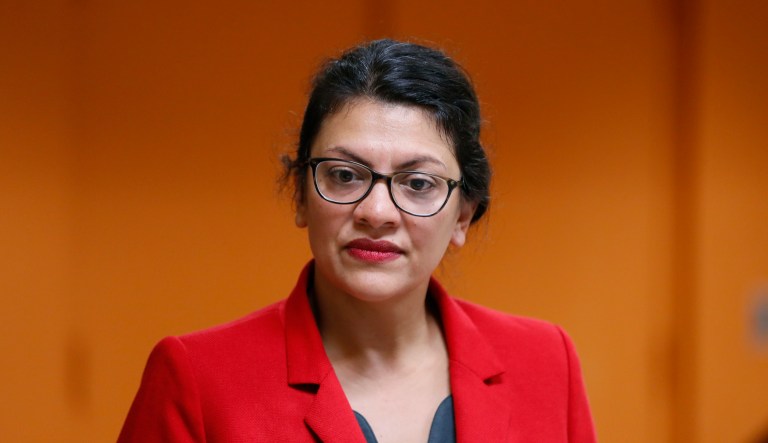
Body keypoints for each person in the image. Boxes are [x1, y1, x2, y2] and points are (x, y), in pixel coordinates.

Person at [118, 39, 596, 443]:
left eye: (418, 183)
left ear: (462, 216)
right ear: (301, 198)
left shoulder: (546, 361)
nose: (377, 212)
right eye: (345, 175)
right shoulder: (198, 379)